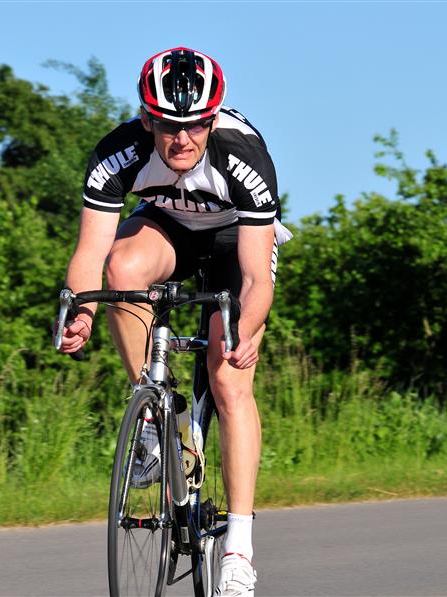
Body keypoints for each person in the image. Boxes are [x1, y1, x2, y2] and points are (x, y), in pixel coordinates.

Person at [57, 47, 291, 596]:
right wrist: (83, 311)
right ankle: (154, 417)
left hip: (235, 240)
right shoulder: (118, 153)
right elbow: (90, 253)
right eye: (167, 126)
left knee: (229, 380)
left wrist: (245, 331)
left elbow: (256, 278)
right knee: (121, 268)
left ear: (214, 118)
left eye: (195, 125)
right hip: (168, 229)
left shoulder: (244, 155)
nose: (181, 138)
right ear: (146, 120)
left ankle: (238, 550)